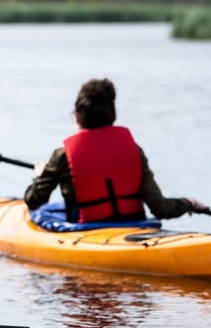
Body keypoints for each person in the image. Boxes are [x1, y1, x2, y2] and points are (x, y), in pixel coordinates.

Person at [24, 78, 207, 222]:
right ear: (113, 115)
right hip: (133, 227)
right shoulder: (134, 151)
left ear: (78, 118)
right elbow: (161, 209)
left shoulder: (63, 156)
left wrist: (40, 175)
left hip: (86, 232)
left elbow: (33, 201)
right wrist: (189, 203)